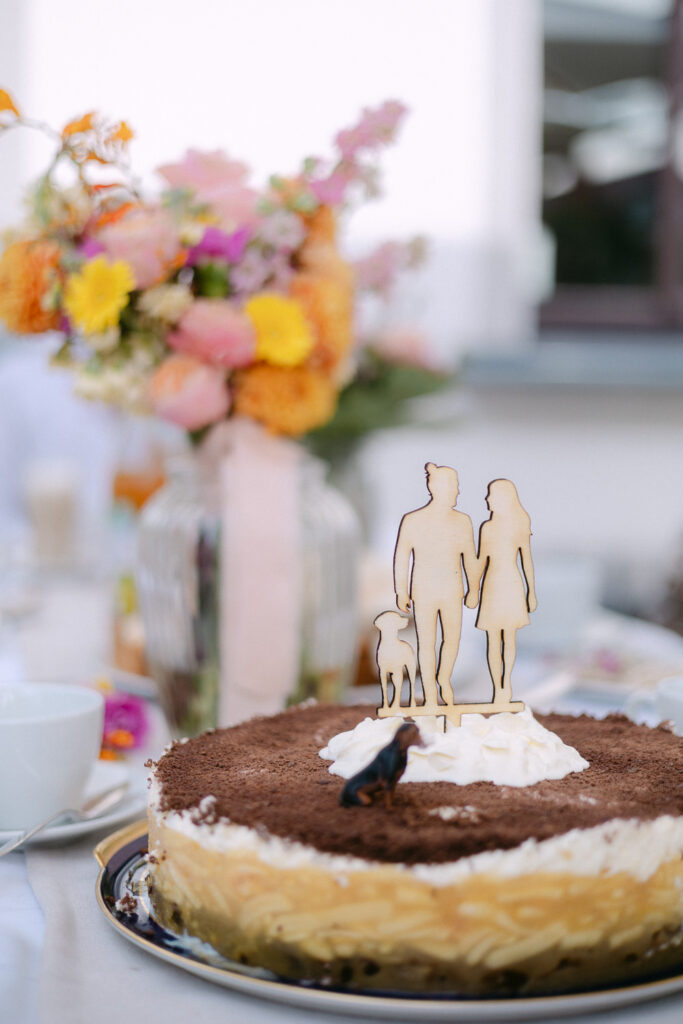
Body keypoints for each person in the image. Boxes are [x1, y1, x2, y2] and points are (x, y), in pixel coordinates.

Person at [393, 463, 478, 706]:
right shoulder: (413, 520)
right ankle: (429, 689)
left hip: (452, 591)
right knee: (426, 641)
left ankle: (443, 681)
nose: (458, 492)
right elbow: (401, 557)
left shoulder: (462, 522)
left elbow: (469, 558)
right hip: (424, 590)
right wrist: (401, 590)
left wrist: (474, 588)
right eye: (455, 487)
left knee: (452, 639)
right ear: (438, 488)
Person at [473, 479, 537, 703]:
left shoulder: (519, 524)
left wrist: (531, 592)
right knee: (492, 638)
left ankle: (505, 685)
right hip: (491, 586)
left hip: (511, 584)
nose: (487, 499)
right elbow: (480, 561)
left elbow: (526, 560)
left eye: (491, 495)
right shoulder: (487, 528)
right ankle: (497, 686)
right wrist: (473, 588)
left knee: (508, 637)